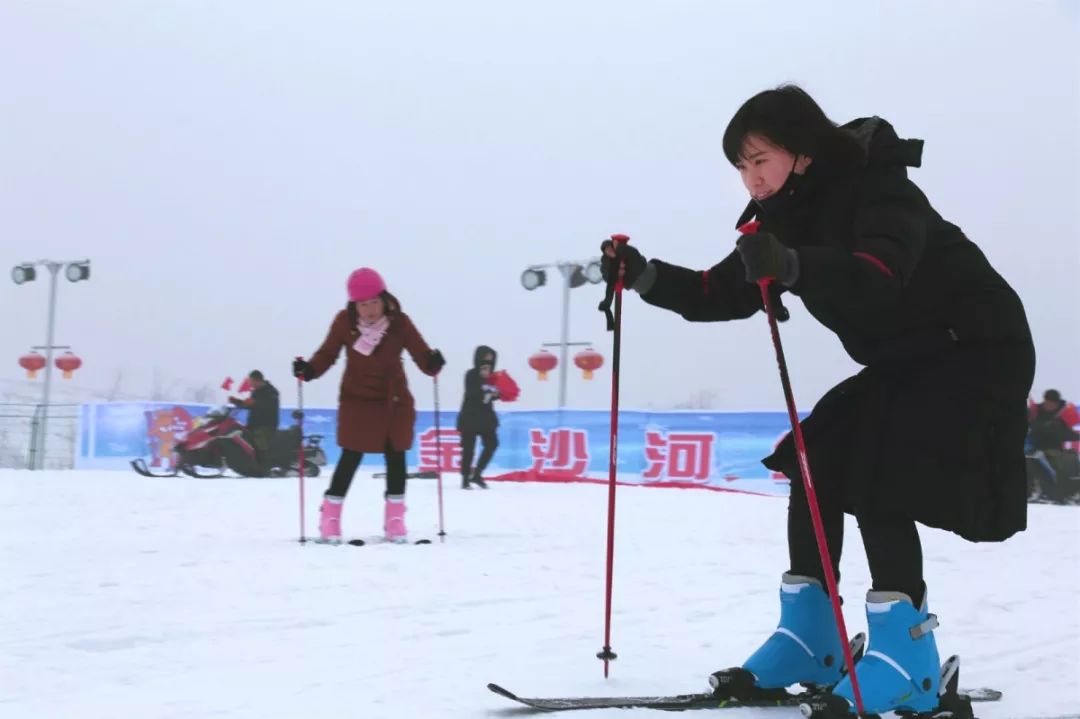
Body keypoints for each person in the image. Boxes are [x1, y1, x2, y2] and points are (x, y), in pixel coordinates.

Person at [601, 85, 1035, 714]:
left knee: (879, 469)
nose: (750, 178)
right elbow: (716, 293)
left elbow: (879, 273)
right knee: (816, 459)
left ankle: (907, 660)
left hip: (974, 350)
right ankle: (811, 640)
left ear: (802, 152)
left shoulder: (880, 190)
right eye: (741, 167)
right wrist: (641, 275)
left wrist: (797, 265)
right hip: (904, 361)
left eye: (760, 159)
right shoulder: (781, 222)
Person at [292, 267, 445, 543]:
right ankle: (330, 518)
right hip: (357, 399)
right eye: (363, 304)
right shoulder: (343, 323)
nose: (370, 310)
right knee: (351, 456)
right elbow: (327, 353)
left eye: (375, 302)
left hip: (393, 399)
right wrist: (309, 370)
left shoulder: (400, 323)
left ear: (384, 299)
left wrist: (431, 362)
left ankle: (395, 520)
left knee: (396, 455)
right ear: (354, 305)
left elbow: (420, 352)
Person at [457, 345, 501, 489]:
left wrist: (497, 393)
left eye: (491, 358)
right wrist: (485, 386)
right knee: (468, 448)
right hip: (470, 416)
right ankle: (465, 478)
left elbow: (496, 394)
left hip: (486, 417)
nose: (488, 361)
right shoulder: (470, 374)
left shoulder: (493, 377)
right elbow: (472, 393)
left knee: (492, 443)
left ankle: (477, 473)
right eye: (486, 357)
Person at [1027, 389, 1080, 502]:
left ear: (1057, 403)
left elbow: (1069, 434)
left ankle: (1064, 493)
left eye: (1053, 403)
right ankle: (1033, 491)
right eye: (1048, 402)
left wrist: (1054, 431)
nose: (1049, 405)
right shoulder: (1035, 411)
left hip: (1053, 449)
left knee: (1062, 464)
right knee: (1029, 462)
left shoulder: (1064, 414)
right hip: (1034, 447)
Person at [228, 370, 279, 477]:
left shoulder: (270, 391)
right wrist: (237, 402)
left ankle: (264, 469)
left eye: (251, 381)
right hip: (253, 424)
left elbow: (264, 405)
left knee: (259, 442)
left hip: (266, 425)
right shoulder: (256, 391)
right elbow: (251, 405)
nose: (249, 384)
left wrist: (254, 403)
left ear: (257, 380)